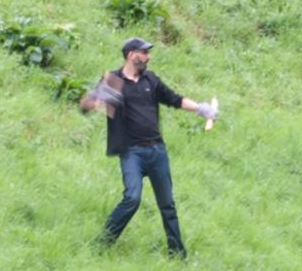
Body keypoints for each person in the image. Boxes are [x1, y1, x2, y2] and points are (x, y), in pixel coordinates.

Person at [82, 36, 215, 255]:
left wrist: (202, 109)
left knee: (167, 205)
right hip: (131, 153)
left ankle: (177, 254)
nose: (148, 56)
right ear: (131, 54)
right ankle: (102, 244)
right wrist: (94, 98)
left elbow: (175, 99)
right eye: (144, 52)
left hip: (156, 152)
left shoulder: (150, 80)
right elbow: (87, 106)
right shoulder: (114, 81)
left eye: (148, 52)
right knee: (132, 198)